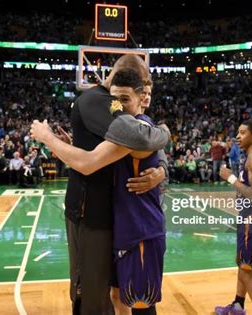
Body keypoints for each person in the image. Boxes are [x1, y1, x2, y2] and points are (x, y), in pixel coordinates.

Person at [32, 68, 166, 315]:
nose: (118, 107)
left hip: (142, 229)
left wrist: (47, 137)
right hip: (125, 226)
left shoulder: (136, 133)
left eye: (125, 99)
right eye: (114, 101)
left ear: (143, 99)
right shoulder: (122, 131)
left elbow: (88, 163)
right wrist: (69, 144)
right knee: (119, 296)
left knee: (140, 301)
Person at [217, 119, 252, 315]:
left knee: (247, 273)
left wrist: (230, 177)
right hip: (249, 219)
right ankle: (238, 306)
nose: (238, 137)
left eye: (242, 133)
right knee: (243, 266)